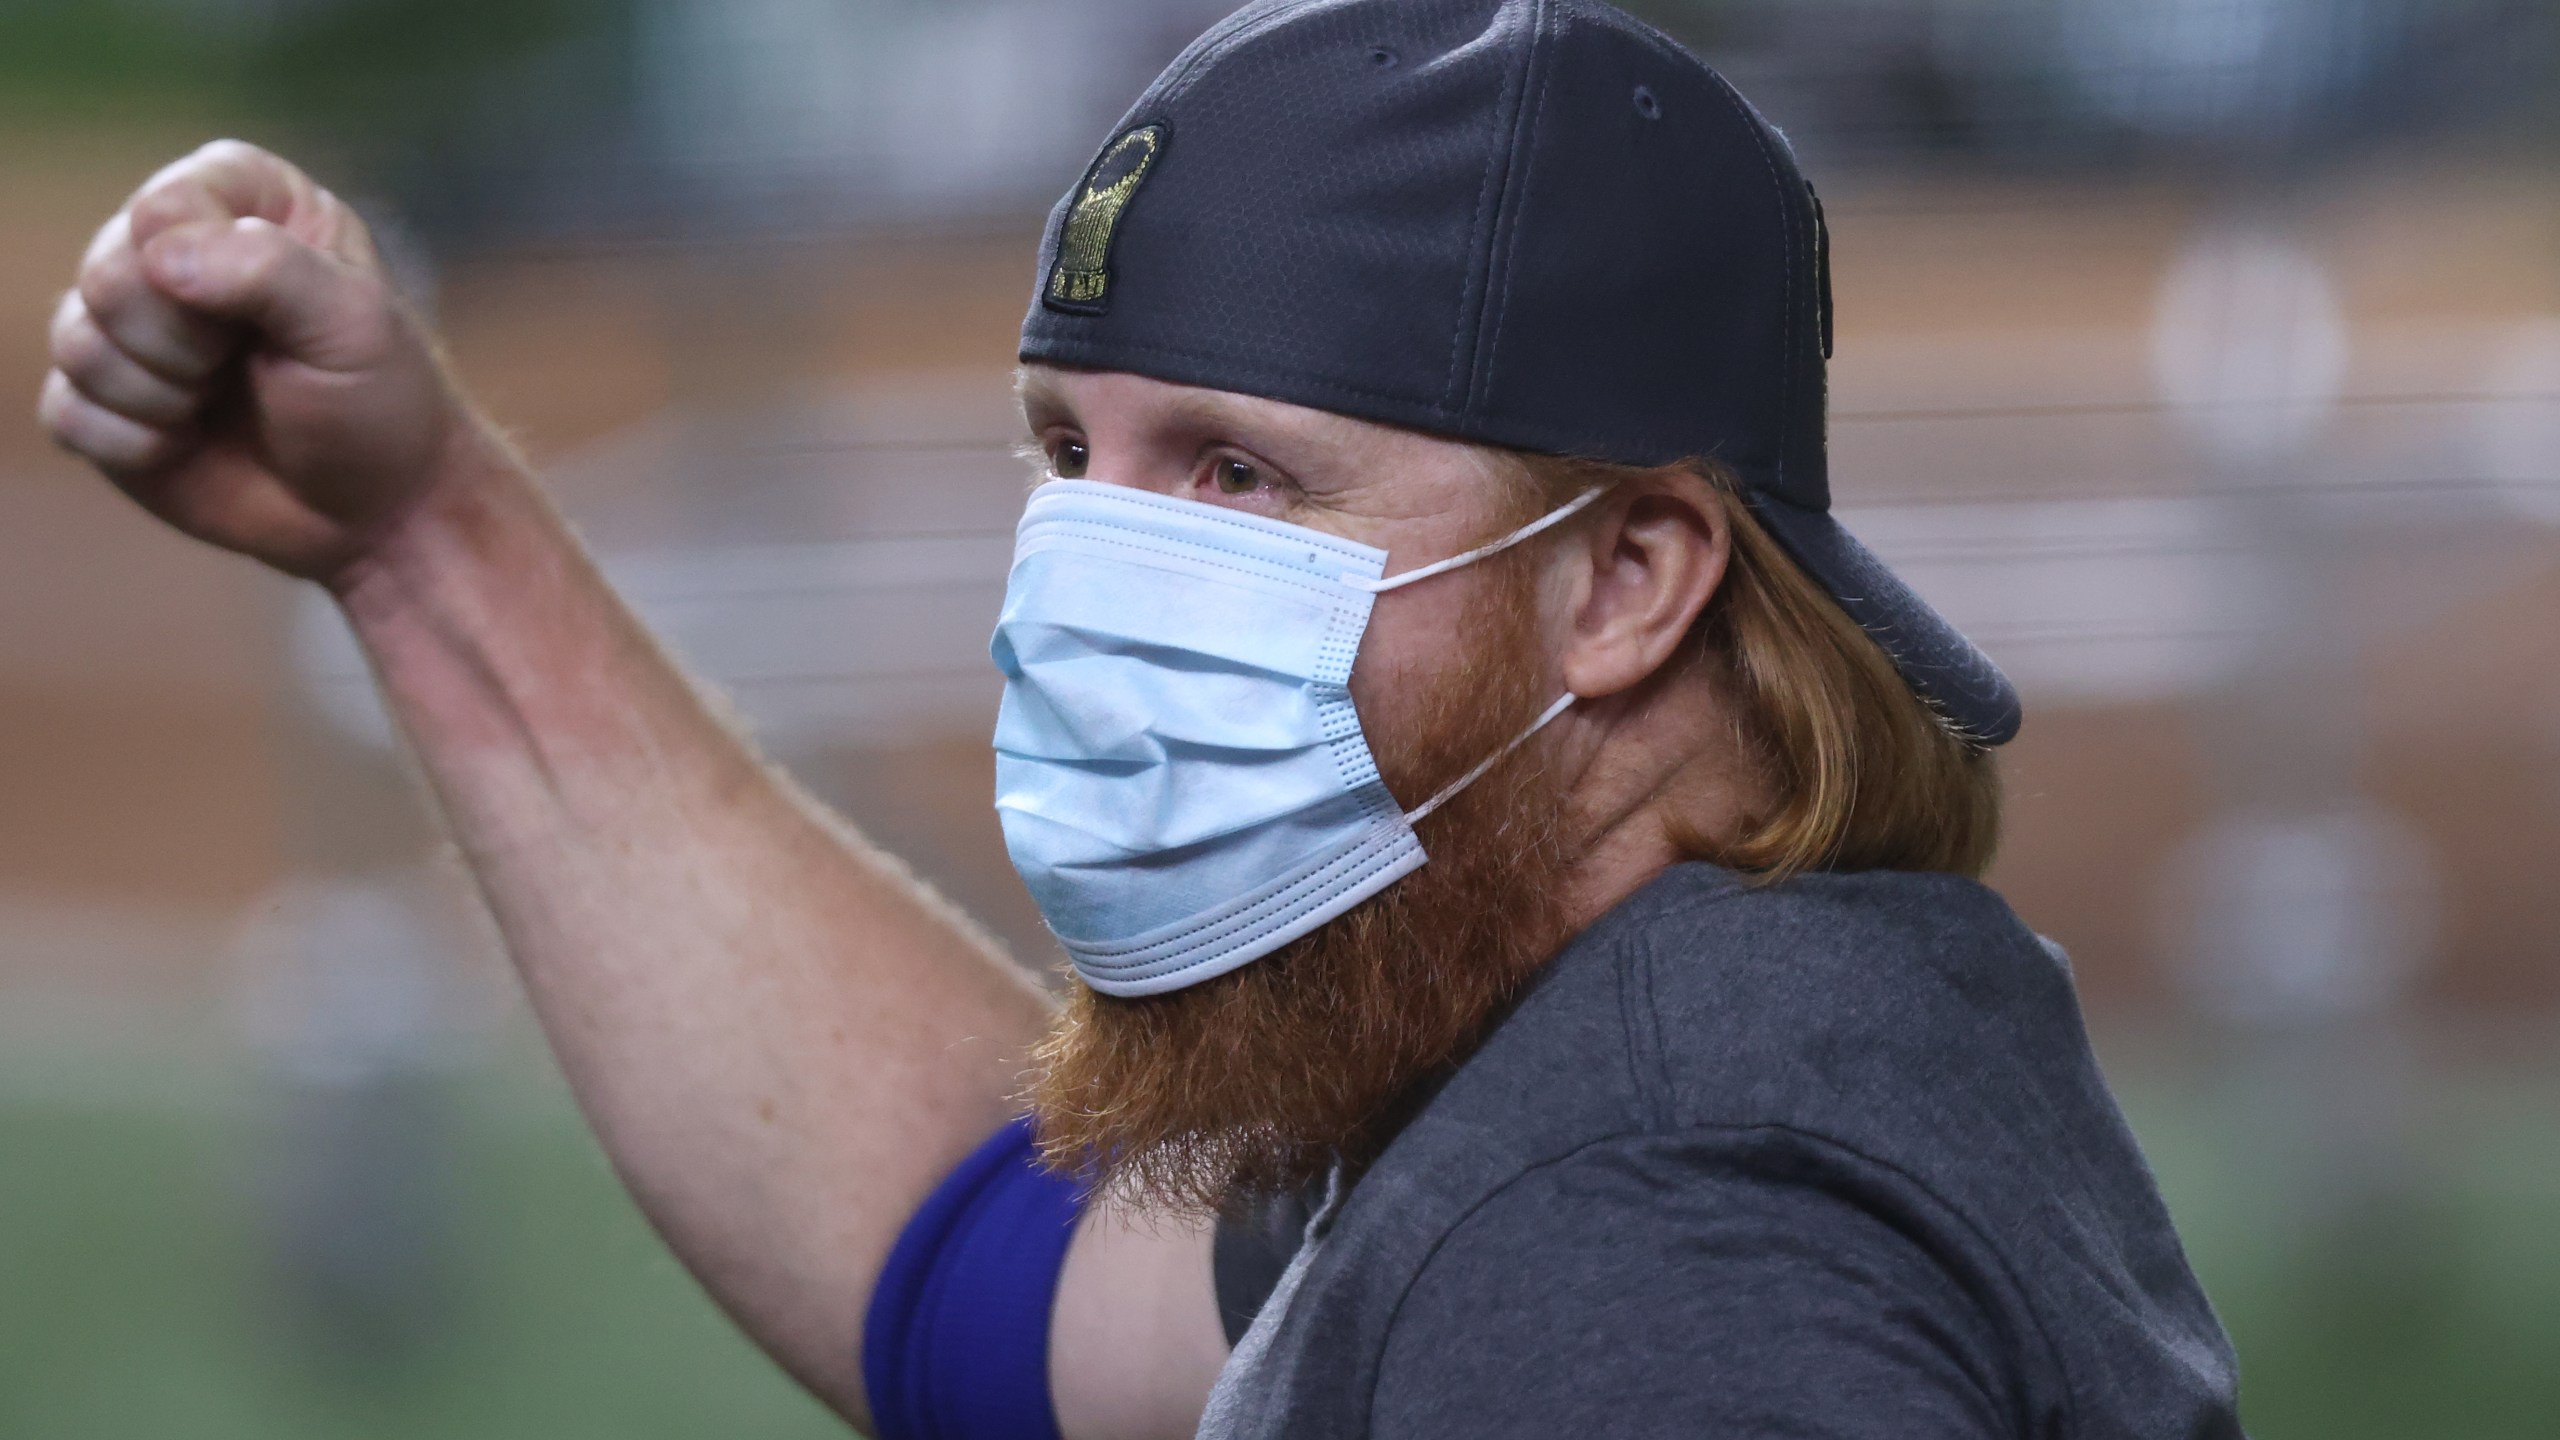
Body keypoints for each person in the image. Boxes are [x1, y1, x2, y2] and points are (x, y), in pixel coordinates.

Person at [37, 1, 2244, 1436]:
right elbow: (989, 1284)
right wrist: (418, 538)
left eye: (1236, 473)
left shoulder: (1639, 1241)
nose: (1090, 571)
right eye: (1067, 454)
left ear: (1627, 581)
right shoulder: (1621, 1037)